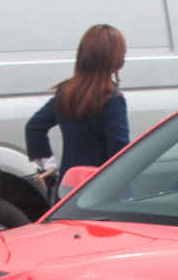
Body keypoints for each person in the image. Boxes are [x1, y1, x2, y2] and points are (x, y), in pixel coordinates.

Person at [25, 24, 129, 199]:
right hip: (101, 192)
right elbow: (119, 155)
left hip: (68, 189)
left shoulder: (66, 92)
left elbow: (34, 127)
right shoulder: (112, 99)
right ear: (113, 58)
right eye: (123, 51)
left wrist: (48, 163)